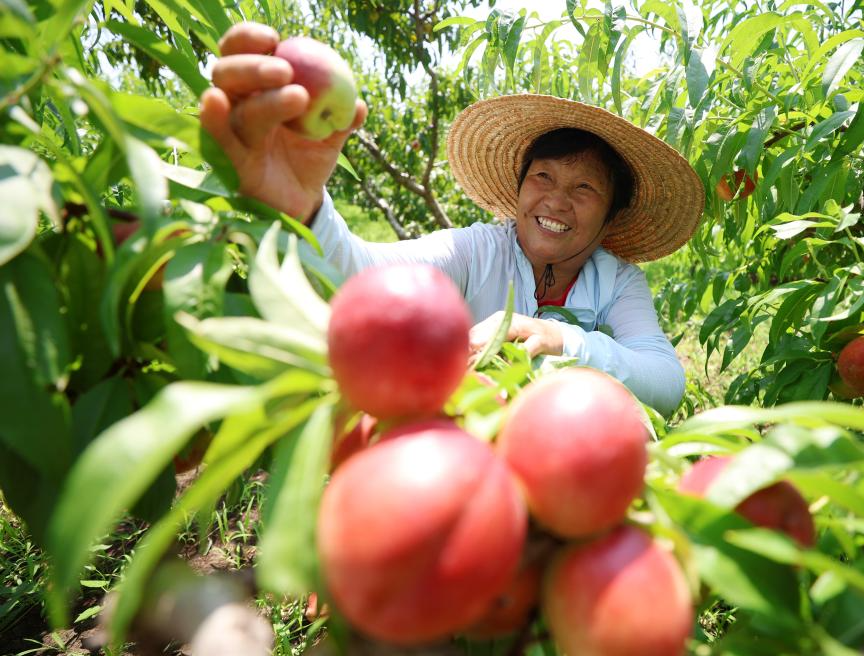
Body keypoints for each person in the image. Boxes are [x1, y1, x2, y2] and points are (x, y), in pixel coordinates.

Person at [199, 23, 704, 416]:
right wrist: (305, 207)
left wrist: (562, 340)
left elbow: (665, 382)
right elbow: (362, 275)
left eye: (585, 188)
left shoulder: (616, 281)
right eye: (543, 178)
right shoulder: (475, 251)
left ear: (612, 215)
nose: (556, 201)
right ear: (520, 186)